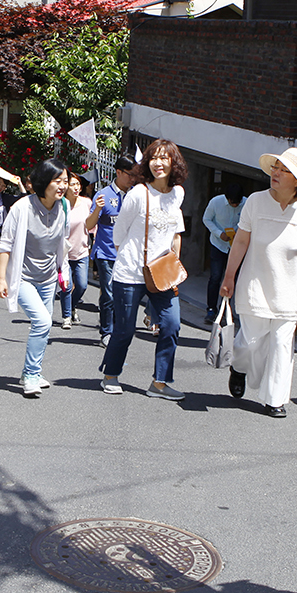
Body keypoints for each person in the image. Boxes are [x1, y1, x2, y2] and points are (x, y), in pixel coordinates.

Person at [218, 147, 297, 418]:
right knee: (248, 343)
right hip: (256, 286)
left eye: (283, 170)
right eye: (275, 167)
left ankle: (275, 399)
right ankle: (238, 368)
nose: (275, 173)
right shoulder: (255, 201)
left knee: (281, 345)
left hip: (290, 292)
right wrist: (229, 276)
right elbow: (241, 241)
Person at [98, 140, 187, 401]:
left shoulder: (178, 193)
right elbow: (119, 233)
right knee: (125, 329)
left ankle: (159, 383)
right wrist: (134, 256)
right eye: (153, 158)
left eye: (164, 158)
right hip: (129, 272)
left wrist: (173, 262)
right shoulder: (138, 193)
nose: (158, 163)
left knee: (171, 324)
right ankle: (111, 375)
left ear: (174, 163)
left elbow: (176, 230)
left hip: (162, 272)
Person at [0, 159, 72, 398]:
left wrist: (64, 270)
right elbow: (5, 244)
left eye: (65, 181)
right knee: (42, 322)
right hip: (24, 277)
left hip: (49, 277)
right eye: (57, 181)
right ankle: (30, 375)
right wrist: (0, 279)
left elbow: (63, 243)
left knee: (43, 325)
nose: (62, 186)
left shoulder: (65, 206)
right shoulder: (22, 207)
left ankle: (33, 373)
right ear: (43, 181)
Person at [89, 155, 137, 348]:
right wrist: (97, 210)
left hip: (127, 255)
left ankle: (118, 329)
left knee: (123, 295)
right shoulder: (103, 195)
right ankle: (106, 332)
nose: (133, 178)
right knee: (108, 294)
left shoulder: (136, 196)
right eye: (130, 174)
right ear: (118, 172)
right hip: (105, 253)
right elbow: (88, 225)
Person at [201, 179, 245, 324]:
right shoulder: (216, 202)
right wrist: (219, 233)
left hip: (236, 247)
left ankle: (224, 309)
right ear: (227, 198)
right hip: (218, 244)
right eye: (233, 202)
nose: (235, 205)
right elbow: (206, 219)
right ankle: (211, 309)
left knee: (232, 278)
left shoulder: (246, 204)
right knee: (215, 277)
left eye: (237, 203)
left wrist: (237, 232)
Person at [59, 174, 93, 329]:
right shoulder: (61, 204)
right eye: (73, 184)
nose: (76, 188)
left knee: (82, 284)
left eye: (78, 184)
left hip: (82, 251)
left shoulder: (86, 203)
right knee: (66, 286)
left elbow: (92, 225)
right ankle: (66, 316)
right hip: (65, 253)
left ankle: (72, 306)